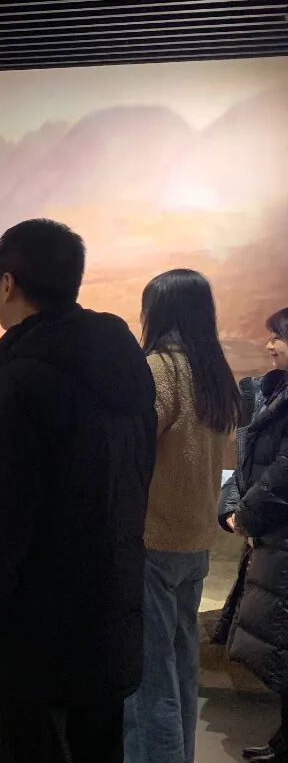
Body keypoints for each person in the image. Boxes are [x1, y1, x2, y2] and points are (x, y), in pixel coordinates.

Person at [0, 219, 157, 763]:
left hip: (28, 650)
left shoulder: (14, 386)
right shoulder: (126, 376)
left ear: (7, 284)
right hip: (107, 632)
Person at [123, 270, 242, 763]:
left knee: (149, 679)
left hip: (153, 539)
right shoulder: (213, 373)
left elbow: (131, 446)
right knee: (178, 665)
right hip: (193, 541)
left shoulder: (161, 369)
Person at [217, 307, 288, 762]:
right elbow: (247, 461)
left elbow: (282, 475)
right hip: (273, 541)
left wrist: (243, 517)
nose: (269, 345)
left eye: (277, 337)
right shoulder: (269, 391)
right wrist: (233, 508)